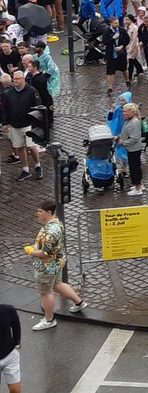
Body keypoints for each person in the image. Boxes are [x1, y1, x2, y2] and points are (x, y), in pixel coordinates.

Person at [28, 200, 87, 329]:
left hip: (46, 266)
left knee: (45, 292)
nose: (37, 213)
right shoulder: (56, 223)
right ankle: (79, 303)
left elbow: (45, 253)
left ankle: (49, 320)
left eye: (40, 211)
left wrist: (32, 252)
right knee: (57, 284)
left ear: (48, 212)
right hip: (56, 262)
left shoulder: (50, 231)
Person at [2, 72, 43, 180]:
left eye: (18, 79)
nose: (15, 81)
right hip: (15, 124)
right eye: (14, 79)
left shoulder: (32, 91)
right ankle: (25, 169)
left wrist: (37, 123)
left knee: (31, 146)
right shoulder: (8, 93)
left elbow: (38, 108)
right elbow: (5, 109)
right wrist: (5, 123)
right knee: (19, 147)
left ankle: (37, 166)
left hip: (29, 124)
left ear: (23, 79)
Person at [118, 102, 145, 195]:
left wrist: (123, 143)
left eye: (125, 112)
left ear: (131, 112)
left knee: (134, 169)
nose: (123, 113)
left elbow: (135, 138)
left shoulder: (134, 122)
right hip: (132, 148)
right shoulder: (130, 120)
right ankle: (139, 184)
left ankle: (138, 188)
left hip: (134, 149)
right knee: (136, 167)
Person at [0, 300, 20, 392]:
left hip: (9, 355)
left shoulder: (9, 310)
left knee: (15, 390)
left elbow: (16, 326)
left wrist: (17, 344)